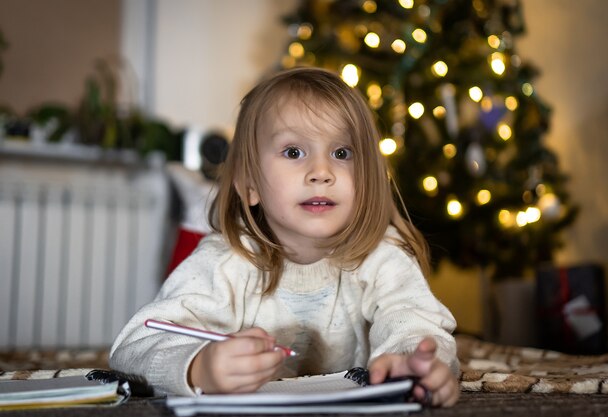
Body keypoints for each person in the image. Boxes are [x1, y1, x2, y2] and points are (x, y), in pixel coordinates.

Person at [109, 67, 460, 407]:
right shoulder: (225, 260)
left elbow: (414, 323)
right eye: (294, 152)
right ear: (249, 185)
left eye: (342, 153)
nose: (321, 172)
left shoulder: (382, 254)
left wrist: (414, 364)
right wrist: (201, 368)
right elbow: (136, 344)